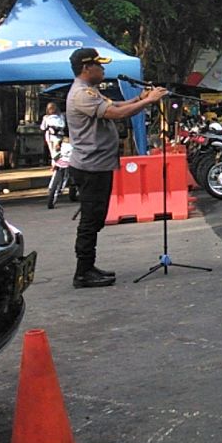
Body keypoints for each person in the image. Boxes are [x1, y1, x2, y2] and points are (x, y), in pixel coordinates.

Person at [66, 47, 169, 288]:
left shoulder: (91, 92)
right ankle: (83, 272)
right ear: (86, 68)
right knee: (90, 221)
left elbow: (118, 104)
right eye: (99, 65)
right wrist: (148, 102)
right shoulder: (81, 94)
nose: (103, 69)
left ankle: (88, 267)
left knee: (96, 218)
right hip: (90, 167)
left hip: (98, 165)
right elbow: (115, 113)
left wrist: (141, 98)